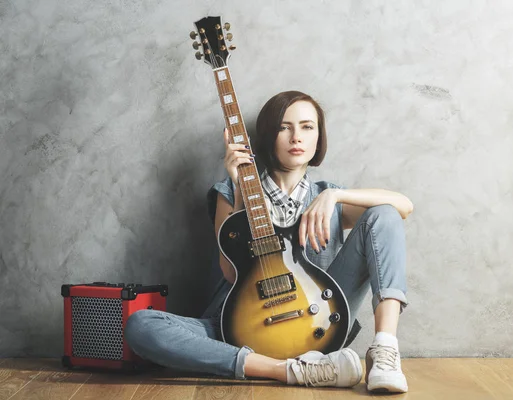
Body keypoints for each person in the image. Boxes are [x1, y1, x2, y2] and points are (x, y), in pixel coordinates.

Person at [125, 90, 414, 392]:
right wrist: (239, 188)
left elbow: (402, 206)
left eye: (307, 126)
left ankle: (384, 351)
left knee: (384, 213)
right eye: (284, 127)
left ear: (319, 137)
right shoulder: (229, 191)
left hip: (322, 322)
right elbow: (229, 270)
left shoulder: (330, 199)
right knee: (141, 325)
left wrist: (336, 195)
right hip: (239, 329)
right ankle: (290, 370)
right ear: (267, 135)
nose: (296, 137)